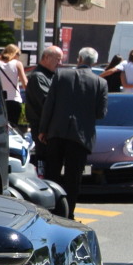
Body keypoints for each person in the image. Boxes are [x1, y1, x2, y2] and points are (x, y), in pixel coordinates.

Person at [38, 46, 108, 219]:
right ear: (95, 63)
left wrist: (43, 130)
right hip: (81, 137)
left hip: (57, 132)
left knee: (52, 174)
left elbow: (49, 105)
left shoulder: (61, 75)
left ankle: (50, 212)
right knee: (73, 178)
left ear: (79, 59)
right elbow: (101, 113)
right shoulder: (100, 83)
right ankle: (69, 214)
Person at [24, 45, 63, 171]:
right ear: (46, 57)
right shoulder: (38, 77)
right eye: (58, 59)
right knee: (46, 165)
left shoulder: (51, 75)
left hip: (51, 129)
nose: (60, 63)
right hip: (42, 130)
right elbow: (47, 102)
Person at [0, 43, 28, 127]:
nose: (18, 56)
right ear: (14, 53)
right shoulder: (17, 64)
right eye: (18, 54)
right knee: (17, 129)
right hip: (15, 101)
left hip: (1, 102)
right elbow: (25, 84)